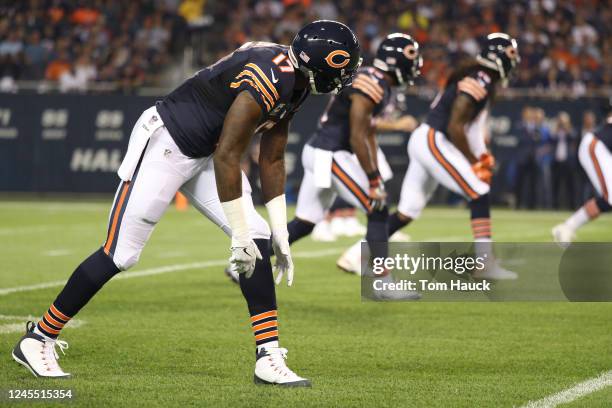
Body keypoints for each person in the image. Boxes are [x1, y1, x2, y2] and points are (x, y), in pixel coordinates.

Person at [12, 20, 361, 387]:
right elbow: (230, 154)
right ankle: (39, 338)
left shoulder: (298, 80)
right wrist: (237, 234)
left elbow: (271, 157)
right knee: (122, 252)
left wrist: (279, 229)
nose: (344, 78)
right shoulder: (270, 77)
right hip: (169, 142)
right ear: (319, 63)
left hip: (208, 151)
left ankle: (268, 356)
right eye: (342, 69)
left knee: (259, 236)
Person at [337, 33, 521, 280]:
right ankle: (485, 262)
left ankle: (356, 254)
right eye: (511, 55)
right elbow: (456, 127)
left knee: (407, 212)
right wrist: (475, 161)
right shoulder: (480, 79)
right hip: (433, 140)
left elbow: (473, 128)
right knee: (478, 191)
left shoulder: (482, 79)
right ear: (498, 57)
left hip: (430, 141)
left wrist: (481, 156)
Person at [283, 33, 422, 299]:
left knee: (305, 222)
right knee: (378, 207)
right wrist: (372, 179)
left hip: (322, 150)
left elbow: (366, 131)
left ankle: (246, 260)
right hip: (329, 153)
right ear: (400, 62)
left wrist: (375, 174)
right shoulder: (373, 82)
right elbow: (359, 133)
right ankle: (382, 282)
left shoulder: (373, 77)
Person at [552, 99, 612, 244]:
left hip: (603, 148)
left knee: (608, 200)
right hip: (596, 145)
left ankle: (566, 227)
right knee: (610, 196)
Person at [551, 111, 578, 209]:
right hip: (557, 162)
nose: (562, 123)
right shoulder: (556, 131)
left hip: (568, 162)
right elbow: (551, 139)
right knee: (555, 185)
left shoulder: (570, 130)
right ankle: (555, 206)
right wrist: (557, 128)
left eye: (563, 121)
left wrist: (566, 127)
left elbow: (573, 137)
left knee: (570, 185)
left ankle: (572, 206)